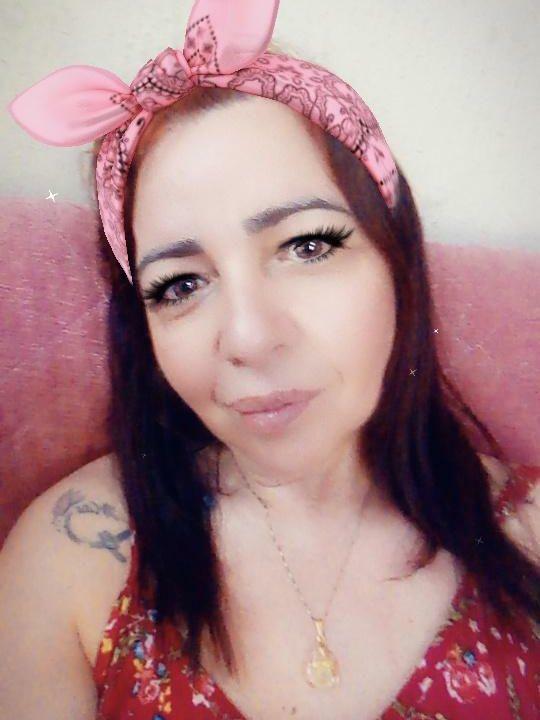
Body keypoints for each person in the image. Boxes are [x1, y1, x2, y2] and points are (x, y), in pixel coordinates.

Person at [1, 2, 539, 719]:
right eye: (179, 285)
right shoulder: (72, 554)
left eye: (307, 245)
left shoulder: (529, 534)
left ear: (396, 257)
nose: (249, 338)